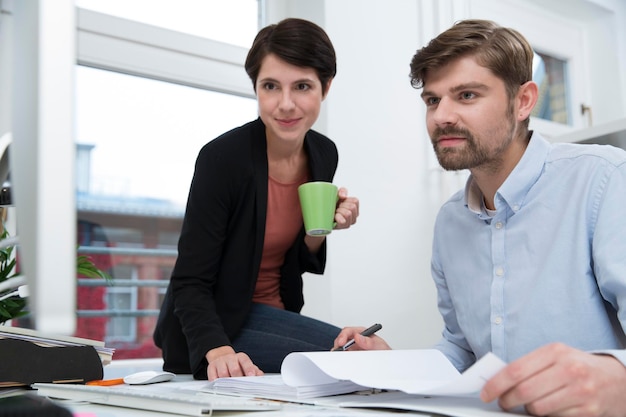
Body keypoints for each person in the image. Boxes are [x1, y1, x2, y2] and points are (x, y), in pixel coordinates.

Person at [334, 19, 626, 416]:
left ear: (523, 101)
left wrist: (617, 380)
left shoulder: (603, 180)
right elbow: (461, 349)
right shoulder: (450, 223)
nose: (441, 117)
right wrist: (390, 363)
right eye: (433, 100)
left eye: (466, 95)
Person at [154, 17, 359, 381]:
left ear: (325, 87)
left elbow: (298, 258)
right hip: (215, 329)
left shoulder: (324, 153)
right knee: (351, 359)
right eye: (270, 86)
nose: (286, 104)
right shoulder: (222, 159)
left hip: (274, 315)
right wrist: (217, 351)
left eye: (302, 86)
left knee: (357, 353)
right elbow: (189, 282)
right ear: (256, 88)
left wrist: (326, 225)